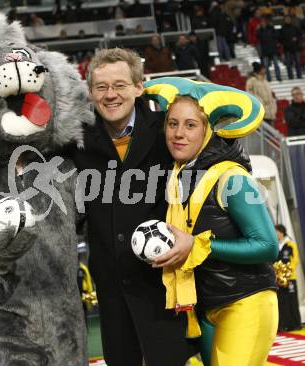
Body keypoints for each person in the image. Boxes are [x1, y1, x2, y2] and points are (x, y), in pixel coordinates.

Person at [67, 48, 196, 366]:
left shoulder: (169, 131)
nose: (111, 95)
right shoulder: (74, 141)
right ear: (91, 93)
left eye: (120, 85)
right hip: (112, 293)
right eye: (101, 87)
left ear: (139, 87)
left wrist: (194, 239)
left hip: (166, 287)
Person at [145, 79, 279, 366]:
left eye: (190, 125)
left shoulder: (233, 179)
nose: (178, 134)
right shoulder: (176, 178)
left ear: (207, 132)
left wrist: (198, 245)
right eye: (172, 123)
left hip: (246, 302)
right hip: (203, 307)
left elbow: (268, 246)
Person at [274, 224, 302, 332]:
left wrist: (287, 273)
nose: (275, 234)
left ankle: (296, 324)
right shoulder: (276, 246)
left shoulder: (290, 244)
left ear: (281, 232)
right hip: (278, 279)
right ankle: (283, 325)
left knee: (292, 300)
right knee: (282, 301)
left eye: (276, 232)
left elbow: (295, 260)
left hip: (290, 278)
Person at [257, 15, 281, 82]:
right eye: (262, 22)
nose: (263, 23)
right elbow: (257, 36)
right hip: (265, 51)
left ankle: (279, 77)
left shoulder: (271, 28)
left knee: (276, 65)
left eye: (264, 22)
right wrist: (259, 29)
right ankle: (269, 79)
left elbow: (276, 35)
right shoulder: (260, 31)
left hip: (273, 49)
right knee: (266, 66)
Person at [279, 15, 303, 80]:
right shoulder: (282, 29)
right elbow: (280, 39)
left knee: (298, 62)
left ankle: (299, 76)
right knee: (289, 63)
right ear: (284, 20)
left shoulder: (295, 27)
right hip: (287, 49)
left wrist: (297, 39)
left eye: (289, 19)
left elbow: (300, 35)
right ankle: (290, 77)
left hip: (295, 48)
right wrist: (286, 43)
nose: (288, 20)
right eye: (286, 19)